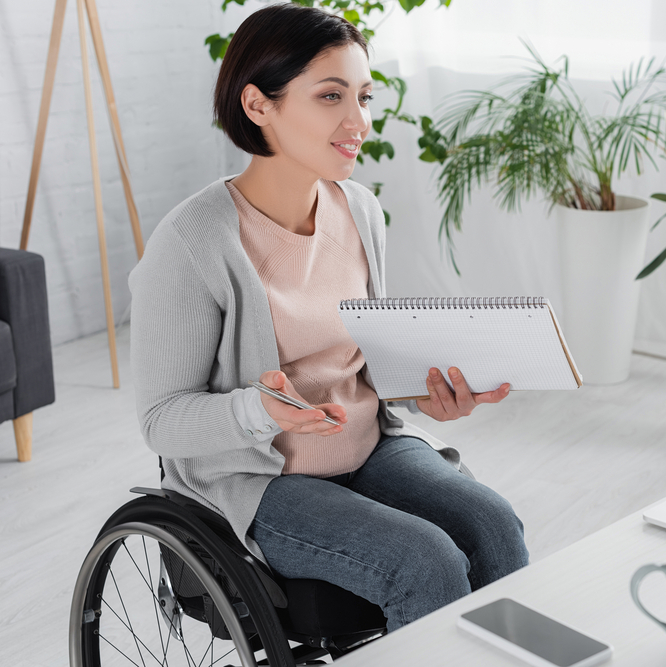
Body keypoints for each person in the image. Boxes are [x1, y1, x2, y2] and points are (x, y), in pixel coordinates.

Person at [129, 3, 529, 632]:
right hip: (265, 477)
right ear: (259, 105)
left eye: (364, 97)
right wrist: (261, 410)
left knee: (495, 525)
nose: (358, 122)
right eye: (331, 96)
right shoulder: (194, 240)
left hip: (369, 448)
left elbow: (371, 362)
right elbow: (160, 421)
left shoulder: (359, 210)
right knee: (424, 562)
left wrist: (431, 397)